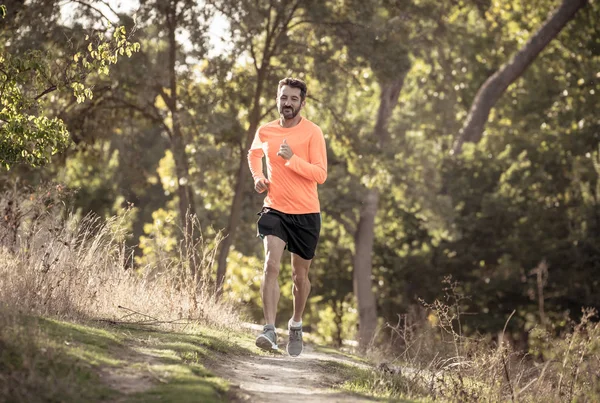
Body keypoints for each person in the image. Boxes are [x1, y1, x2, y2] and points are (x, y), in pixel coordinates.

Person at [247, 77, 327, 357]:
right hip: (275, 208)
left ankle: (295, 324)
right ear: (277, 99)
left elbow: (321, 174)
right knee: (270, 265)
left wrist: (292, 158)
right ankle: (269, 329)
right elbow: (254, 154)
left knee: (299, 278)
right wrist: (258, 177)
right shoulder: (266, 130)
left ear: (302, 103)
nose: (288, 103)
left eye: (294, 99)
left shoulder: (312, 132)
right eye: (284, 98)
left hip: (306, 213)